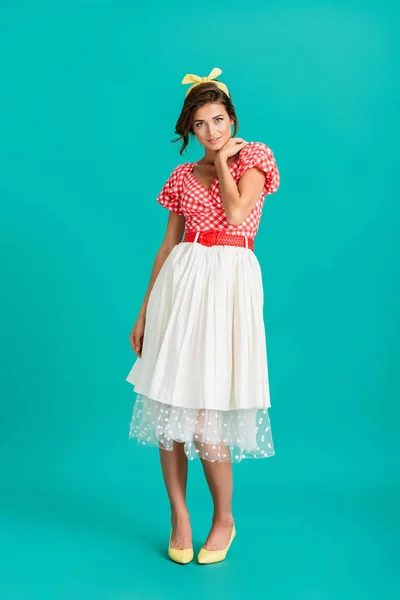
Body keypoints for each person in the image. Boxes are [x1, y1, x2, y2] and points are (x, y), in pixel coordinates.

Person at [126, 67, 280, 565]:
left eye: (218, 120)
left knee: (208, 418)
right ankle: (179, 515)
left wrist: (224, 161)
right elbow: (168, 244)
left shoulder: (256, 158)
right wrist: (145, 310)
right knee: (169, 410)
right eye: (201, 125)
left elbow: (237, 215)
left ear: (232, 119)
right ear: (189, 130)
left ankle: (224, 518)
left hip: (230, 283)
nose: (212, 131)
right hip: (182, 282)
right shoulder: (180, 176)